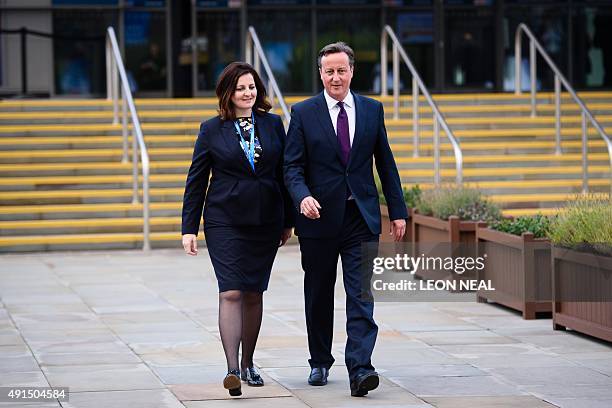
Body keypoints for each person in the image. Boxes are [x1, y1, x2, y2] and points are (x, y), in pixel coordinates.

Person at [284, 42, 408, 397]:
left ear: (352, 72)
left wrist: (397, 211)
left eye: (341, 70)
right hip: (319, 219)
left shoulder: (372, 110)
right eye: (329, 71)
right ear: (320, 74)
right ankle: (320, 361)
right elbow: (291, 166)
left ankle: (360, 368)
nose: (335, 77)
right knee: (319, 292)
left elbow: (385, 162)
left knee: (360, 296)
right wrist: (302, 196)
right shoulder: (304, 112)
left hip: (360, 218)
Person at [181, 62, 294, 397]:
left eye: (252, 87)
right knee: (231, 290)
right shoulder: (211, 129)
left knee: (254, 291)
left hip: (266, 218)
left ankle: (249, 363)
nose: (247, 93)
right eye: (241, 88)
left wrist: (289, 219)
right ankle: (232, 369)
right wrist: (189, 228)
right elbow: (196, 180)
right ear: (228, 93)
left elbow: (285, 173)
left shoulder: (274, 125)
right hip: (224, 219)